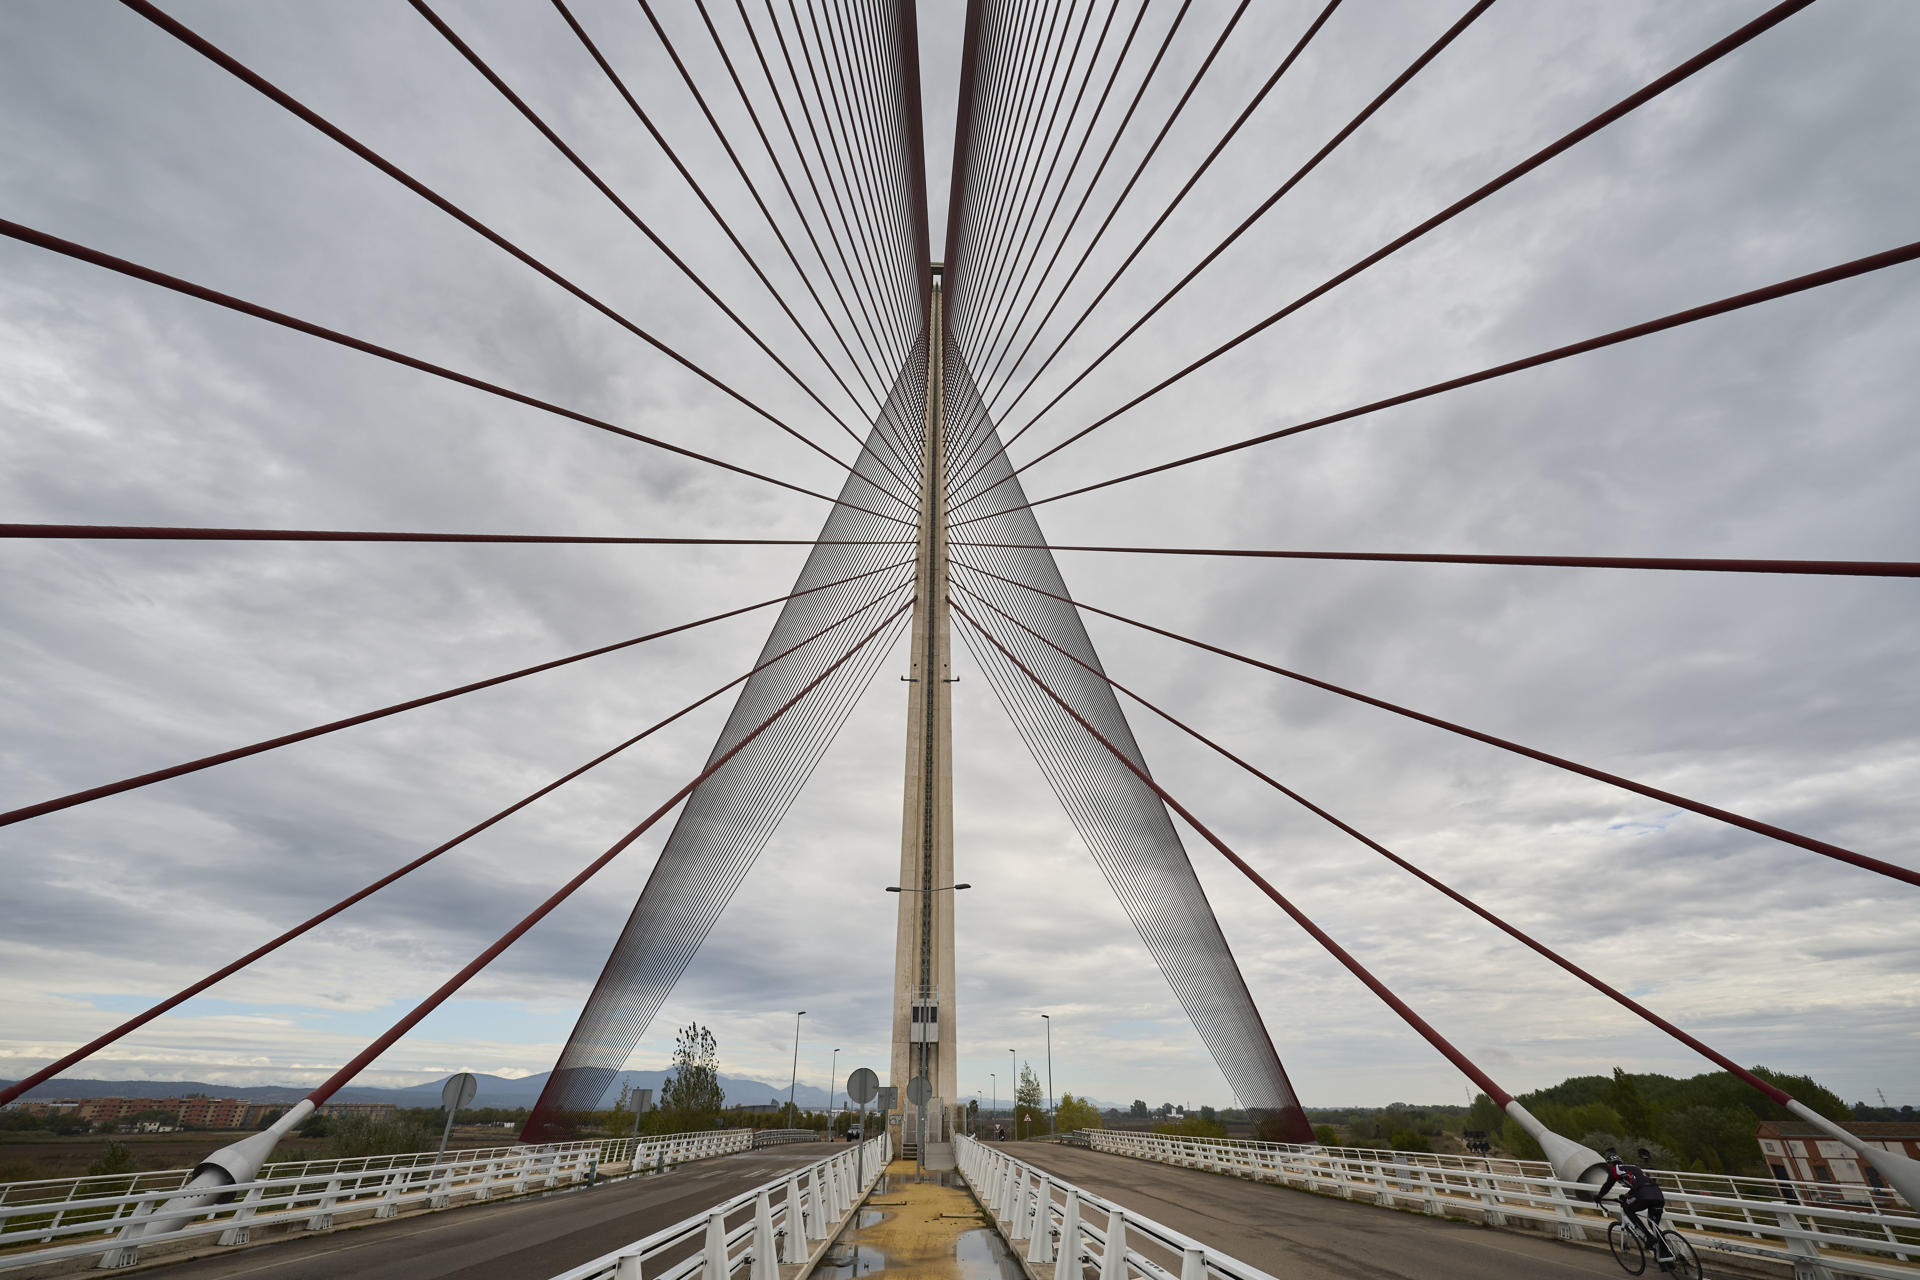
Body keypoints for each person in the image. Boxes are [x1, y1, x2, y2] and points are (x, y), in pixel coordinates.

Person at [1597, 1147, 1672, 1269]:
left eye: (1608, 1165)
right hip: (1657, 1193)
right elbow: (1640, 1183)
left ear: (1610, 1164)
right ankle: (1667, 1258)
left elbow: (1608, 1185)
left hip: (1643, 1194)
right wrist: (1626, 1195)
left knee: (1627, 1209)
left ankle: (1648, 1237)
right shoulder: (1634, 1168)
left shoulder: (1615, 1170)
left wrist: (1599, 1196)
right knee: (1654, 1226)